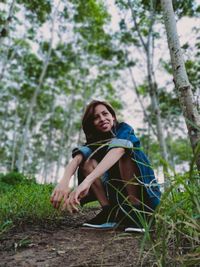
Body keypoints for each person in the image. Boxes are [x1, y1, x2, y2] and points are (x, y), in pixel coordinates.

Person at [50, 100, 161, 232]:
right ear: (92, 124)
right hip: (118, 199)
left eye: (105, 114)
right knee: (87, 161)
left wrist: (87, 181)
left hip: (144, 198)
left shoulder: (124, 129)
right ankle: (110, 212)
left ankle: (136, 211)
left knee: (125, 150)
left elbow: (119, 149)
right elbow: (78, 158)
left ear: (113, 116)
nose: (102, 119)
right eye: (96, 117)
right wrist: (64, 181)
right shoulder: (95, 141)